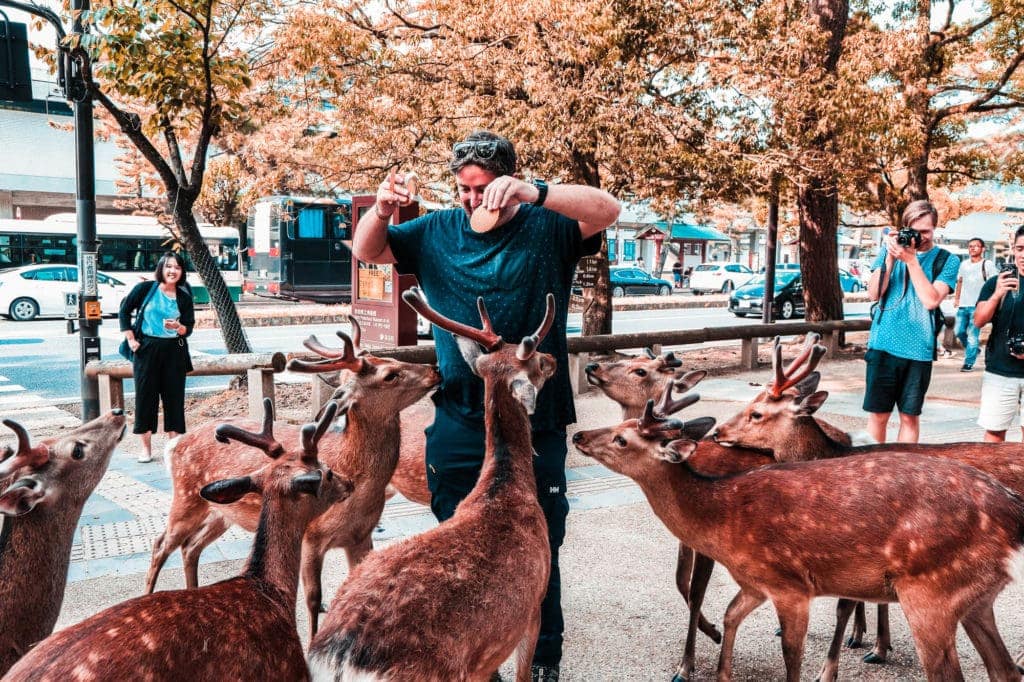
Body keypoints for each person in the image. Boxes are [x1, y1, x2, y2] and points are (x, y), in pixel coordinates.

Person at [353, 130, 620, 682]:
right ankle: (482, 659)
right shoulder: (436, 231)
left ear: (505, 179)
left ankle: (543, 655)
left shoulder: (547, 224)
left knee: (539, 539)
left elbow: (609, 209)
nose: (472, 199)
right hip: (459, 414)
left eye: (481, 187)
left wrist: (534, 191)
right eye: (463, 189)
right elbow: (367, 250)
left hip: (533, 418)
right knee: (459, 543)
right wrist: (381, 211)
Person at [864, 200, 959, 444]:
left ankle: (903, 475)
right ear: (905, 228)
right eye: (915, 231)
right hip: (882, 344)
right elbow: (874, 293)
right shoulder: (890, 251)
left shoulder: (946, 260)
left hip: (918, 350)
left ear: (935, 228)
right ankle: (872, 473)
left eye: (926, 231)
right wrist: (890, 258)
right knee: (878, 416)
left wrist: (911, 260)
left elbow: (931, 300)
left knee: (909, 417)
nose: (921, 237)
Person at [118, 252, 195, 463]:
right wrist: (131, 339)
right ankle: (145, 449)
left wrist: (178, 327)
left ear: (181, 272)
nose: (172, 271)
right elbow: (124, 311)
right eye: (169, 266)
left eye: (177, 267)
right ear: (161, 268)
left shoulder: (184, 296)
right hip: (146, 350)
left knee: (174, 400)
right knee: (145, 399)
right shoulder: (145, 289)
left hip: (174, 352)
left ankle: (173, 451)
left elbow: (188, 328)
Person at [973, 226, 1024, 442]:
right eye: (1021, 248)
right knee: (994, 435)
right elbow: (978, 320)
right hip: (1000, 372)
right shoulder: (997, 282)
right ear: (1013, 249)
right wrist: (997, 294)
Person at [953, 237, 994, 372]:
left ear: (983, 249)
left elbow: (994, 283)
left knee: (972, 335)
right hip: (963, 305)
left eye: (976, 246)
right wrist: (957, 299)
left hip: (978, 306)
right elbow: (960, 281)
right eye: (970, 246)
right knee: (958, 332)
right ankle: (974, 350)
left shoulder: (987, 264)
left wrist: (990, 303)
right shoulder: (964, 264)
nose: (973, 248)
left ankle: (968, 362)